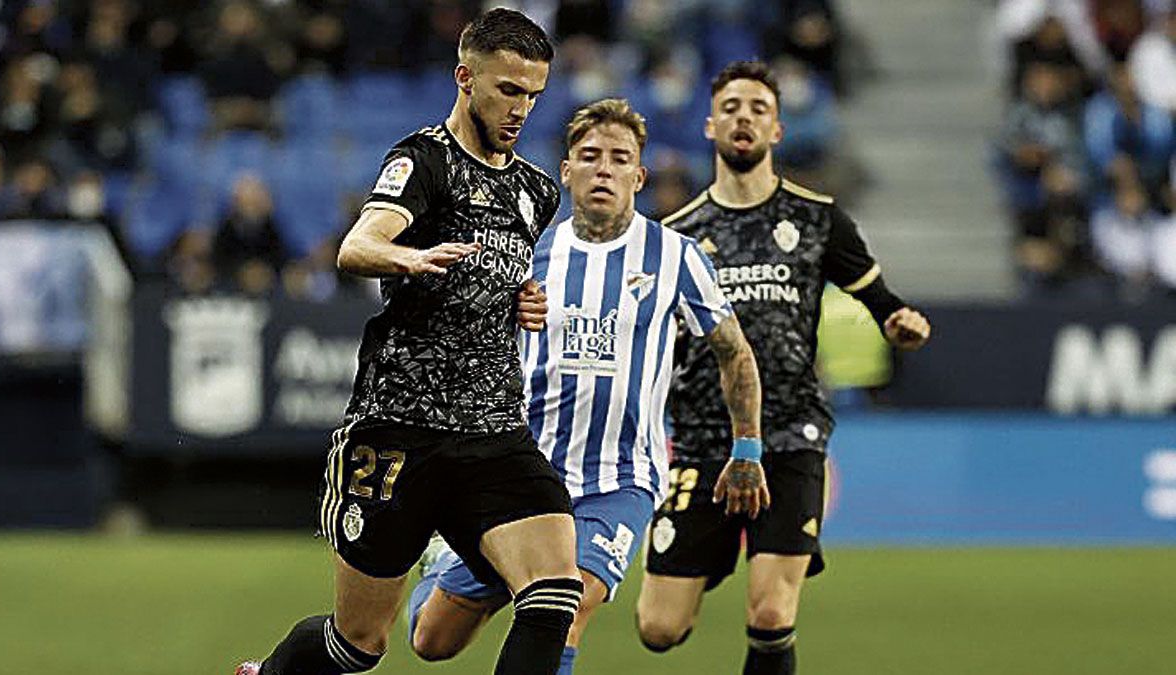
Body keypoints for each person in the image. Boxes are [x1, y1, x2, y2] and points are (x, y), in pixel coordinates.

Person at [236, 9, 583, 675]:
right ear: (465, 77)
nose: (521, 109)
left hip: (493, 433)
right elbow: (358, 244)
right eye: (508, 89)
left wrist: (519, 297)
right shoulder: (424, 161)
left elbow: (498, 274)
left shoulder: (536, 192)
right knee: (357, 645)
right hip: (399, 432)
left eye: (533, 94)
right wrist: (407, 259)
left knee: (552, 587)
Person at [404, 98, 765, 675]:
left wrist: (747, 447)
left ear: (639, 176)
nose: (604, 169)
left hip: (619, 479)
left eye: (620, 159)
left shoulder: (676, 258)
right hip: (519, 473)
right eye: (590, 156)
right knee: (433, 642)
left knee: (564, 607)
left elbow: (734, 352)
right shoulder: (527, 249)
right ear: (566, 171)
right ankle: (445, 558)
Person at [635, 60, 932, 675]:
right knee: (658, 628)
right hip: (701, 443)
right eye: (733, 108)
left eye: (759, 109)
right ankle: (710, 555)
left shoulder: (819, 220)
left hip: (792, 435)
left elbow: (883, 301)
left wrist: (901, 321)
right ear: (711, 126)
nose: (745, 117)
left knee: (771, 613)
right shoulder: (676, 236)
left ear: (777, 131)